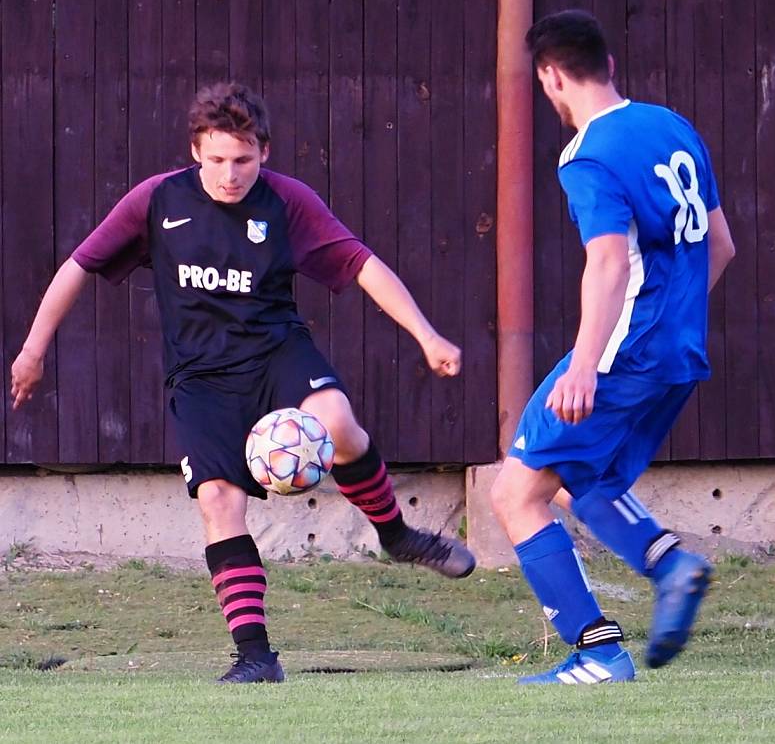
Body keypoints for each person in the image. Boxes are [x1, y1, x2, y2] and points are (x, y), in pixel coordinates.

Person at [10, 82, 476, 684]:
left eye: (244, 161)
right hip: (201, 376)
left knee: (337, 423)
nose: (231, 175)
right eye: (218, 160)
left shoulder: (288, 202)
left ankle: (397, 535)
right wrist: (32, 349)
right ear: (196, 151)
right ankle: (257, 657)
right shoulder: (157, 201)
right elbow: (78, 265)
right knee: (218, 501)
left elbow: (362, 265)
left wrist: (426, 335)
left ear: (265, 153)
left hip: (276, 350)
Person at [490, 10, 735, 684]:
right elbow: (722, 246)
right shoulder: (672, 127)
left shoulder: (589, 153)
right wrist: (671, 321)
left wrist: (586, 364)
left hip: (622, 351)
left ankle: (598, 651)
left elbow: (607, 263)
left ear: (550, 77)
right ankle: (671, 564)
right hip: (678, 351)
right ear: (610, 66)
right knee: (581, 481)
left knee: (515, 492)